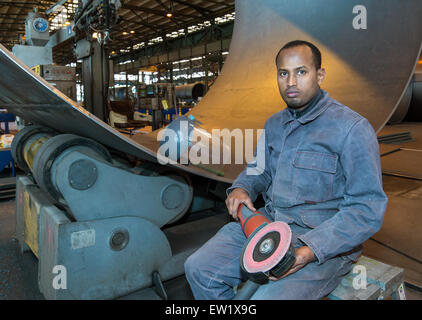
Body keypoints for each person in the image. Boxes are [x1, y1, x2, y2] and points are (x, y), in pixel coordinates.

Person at [184, 40, 388, 300]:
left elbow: (366, 209)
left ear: (320, 75)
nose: (291, 81)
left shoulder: (351, 129)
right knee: (199, 269)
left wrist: (309, 251)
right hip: (270, 223)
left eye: (301, 72)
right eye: (284, 73)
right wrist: (241, 187)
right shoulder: (274, 125)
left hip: (323, 242)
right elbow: (259, 169)